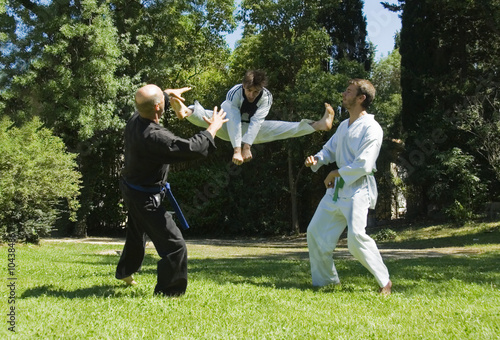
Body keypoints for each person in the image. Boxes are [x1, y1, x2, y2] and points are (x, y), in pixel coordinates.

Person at [115, 84, 228, 297]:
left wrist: (167, 94)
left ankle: (124, 272)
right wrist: (213, 127)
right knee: (175, 246)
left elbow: (151, 103)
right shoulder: (155, 136)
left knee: (137, 231)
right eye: (163, 101)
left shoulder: (134, 120)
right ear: (158, 107)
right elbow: (192, 148)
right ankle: (170, 293)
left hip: (131, 189)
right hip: (144, 197)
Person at [304, 79, 392, 295]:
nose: (344, 94)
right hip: (337, 189)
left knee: (355, 238)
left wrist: (336, 172)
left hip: (358, 188)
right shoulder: (344, 126)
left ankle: (384, 282)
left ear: (361, 98)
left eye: (349, 91)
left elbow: (364, 164)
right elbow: (329, 150)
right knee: (316, 232)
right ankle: (326, 282)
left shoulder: (372, 128)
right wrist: (317, 159)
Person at [170, 70, 335, 165]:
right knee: (215, 115)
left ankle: (320, 124)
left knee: (282, 127)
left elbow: (257, 122)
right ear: (243, 85)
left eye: (255, 92)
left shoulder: (266, 97)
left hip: (252, 131)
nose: (251, 95)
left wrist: (247, 147)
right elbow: (233, 120)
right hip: (227, 127)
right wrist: (237, 150)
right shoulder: (234, 92)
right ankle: (186, 111)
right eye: (249, 90)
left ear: (261, 89)